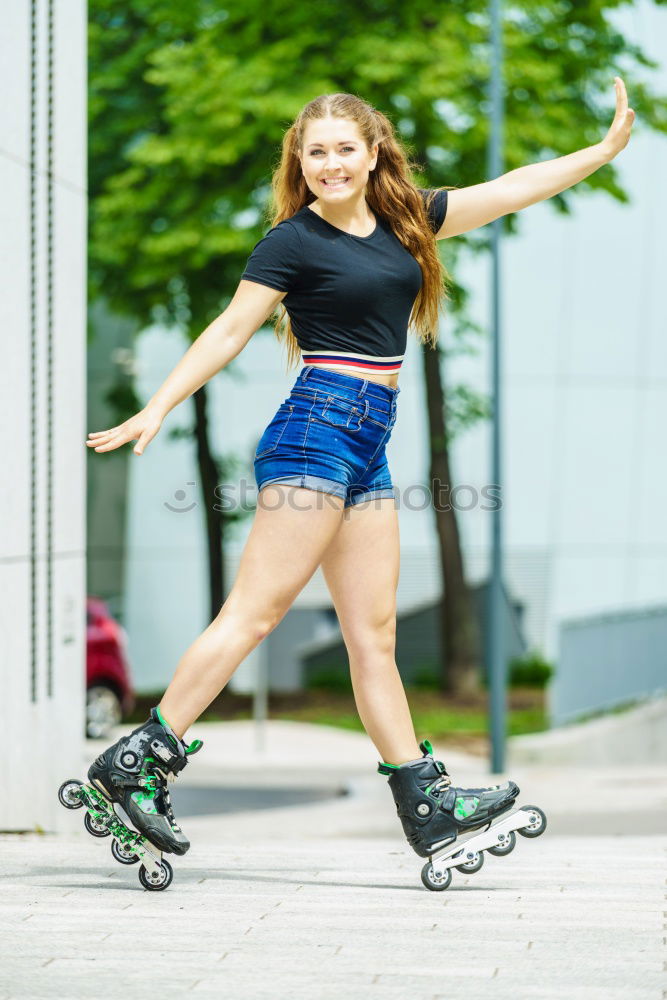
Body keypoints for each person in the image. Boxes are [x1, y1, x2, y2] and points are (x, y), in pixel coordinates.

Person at [85, 83, 635, 863]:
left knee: (371, 634)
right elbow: (231, 328)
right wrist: (158, 406)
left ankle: (424, 800)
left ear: (373, 152)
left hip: (368, 441)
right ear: (299, 163)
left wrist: (601, 152)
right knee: (255, 613)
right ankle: (137, 763)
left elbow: (512, 190)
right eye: (315, 153)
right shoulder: (291, 242)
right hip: (315, 429)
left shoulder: (410, 218)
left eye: (345, 149)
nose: (330, 164)